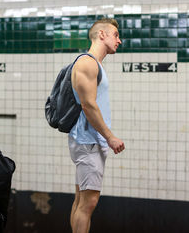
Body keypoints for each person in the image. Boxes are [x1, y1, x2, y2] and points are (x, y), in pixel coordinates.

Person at [69, 18, 125, 233]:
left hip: (88, 141)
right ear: (102, 34)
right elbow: (88, 105)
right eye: (115, 35)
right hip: (89, 141)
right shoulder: (88, 63)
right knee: (87, 205)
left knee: (81, 201)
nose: (119, 40)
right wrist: (110, 136)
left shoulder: (94, 64)